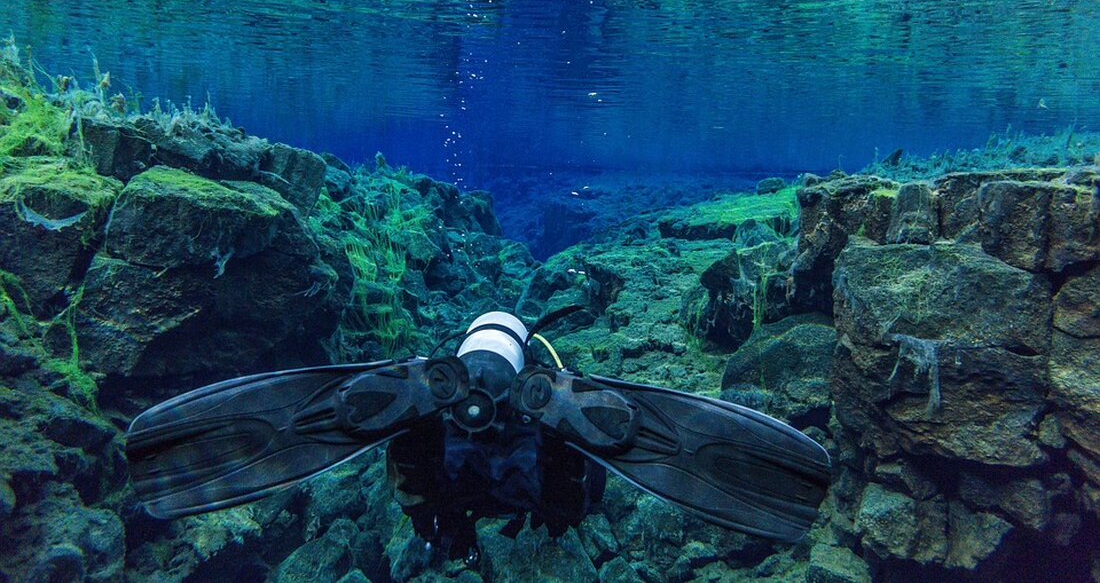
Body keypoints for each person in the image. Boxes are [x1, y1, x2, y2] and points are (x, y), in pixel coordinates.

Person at [126, 310, 830, 563]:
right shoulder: (541, 388)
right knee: (574, 452)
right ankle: (534, 433)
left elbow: (406, 478)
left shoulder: (434, 423)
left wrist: (434, 518)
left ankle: (463, 446)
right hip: (521, 489)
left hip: (460, 494)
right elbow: (593, 487)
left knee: (416, 434)